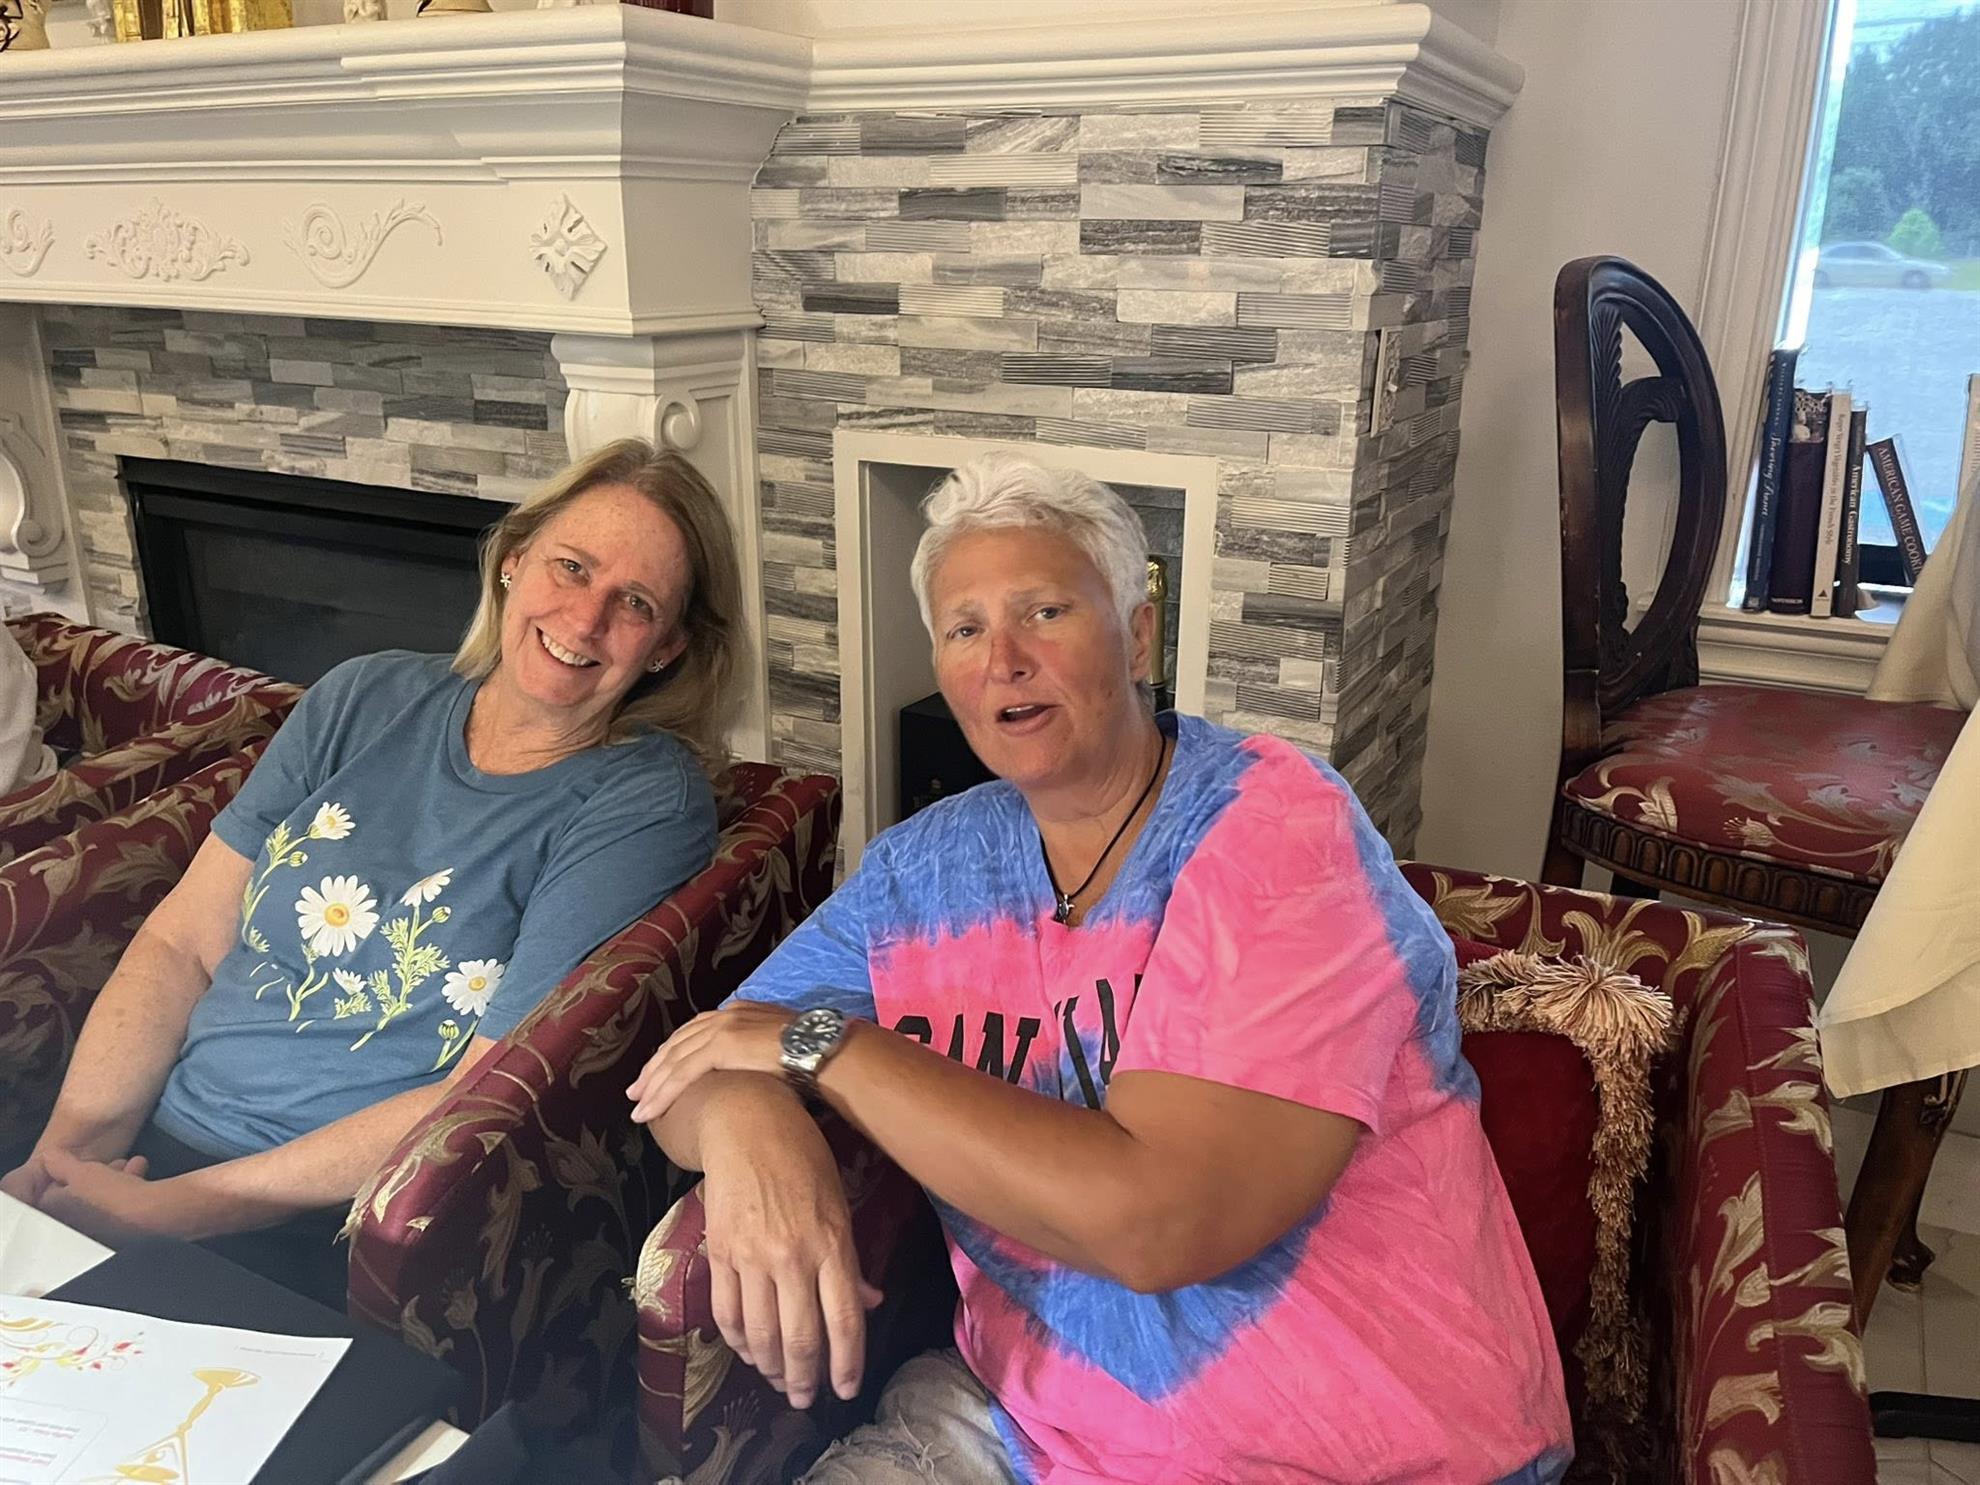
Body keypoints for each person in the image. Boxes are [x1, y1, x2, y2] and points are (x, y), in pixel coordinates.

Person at [629, 453, 1573, 1484]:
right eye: (964, 628)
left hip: (1365, 1450)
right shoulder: (921, 872)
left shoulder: (1271, 828)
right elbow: (691, 1070)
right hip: (1024, 1428)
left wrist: (824, 1048)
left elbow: (1160, 1225)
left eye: (1044, 611)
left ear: (1138, 635)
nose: (1004, 659)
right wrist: (751, 1123)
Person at [1, 437, 745, 1309]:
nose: (583, 620)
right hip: (148, 1146)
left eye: (634, 603)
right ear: (513, 560)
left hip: (329, 1221)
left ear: (666, 648)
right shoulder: (362, 697)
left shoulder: (641, 801)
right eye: (571, 567)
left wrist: (176, 1211)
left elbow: (483, 1085)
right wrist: (66, 1162)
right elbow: (182, 941)